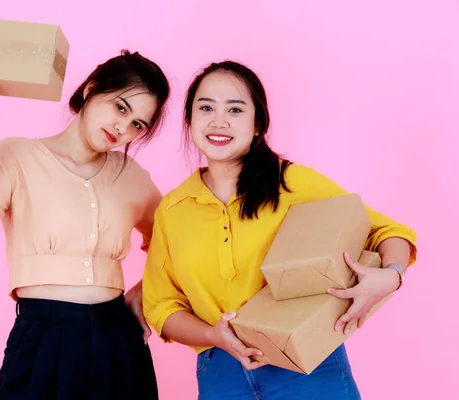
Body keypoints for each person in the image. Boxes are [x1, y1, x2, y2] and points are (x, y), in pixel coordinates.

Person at [142, 60, 418, 400]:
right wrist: (214, 335)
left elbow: (386, 230)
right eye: (206, 107)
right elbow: (161, 306)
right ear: (190, 120)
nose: (219, 121)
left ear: (258, 124)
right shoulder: (173, 209)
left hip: (307, 366)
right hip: (220, 374)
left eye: (236, 109)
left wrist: (391, 275)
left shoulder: (291, 182)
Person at [0, 49, 170, 400]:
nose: (123, 128)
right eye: (121, 107)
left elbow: (177, 240)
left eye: (138, 124)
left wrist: (142, 291)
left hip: (118, 343)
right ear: (91, 89)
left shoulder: (133, 178)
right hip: (42, 337)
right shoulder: (17, 156)